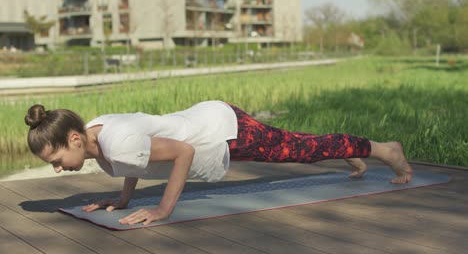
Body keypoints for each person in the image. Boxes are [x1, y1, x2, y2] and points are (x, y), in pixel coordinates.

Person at [24, 100, 413, 226]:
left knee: (299, 149)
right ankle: (343, 150)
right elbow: (138, 162)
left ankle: (384, 150)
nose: (58, 168)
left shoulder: (114, 142)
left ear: (73, 139)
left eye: (56, 159)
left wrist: (162, 208)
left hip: (223, 130)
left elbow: (183, 153)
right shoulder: (95, 133)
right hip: (211, 119)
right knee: (301, 146)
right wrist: (123, 200)